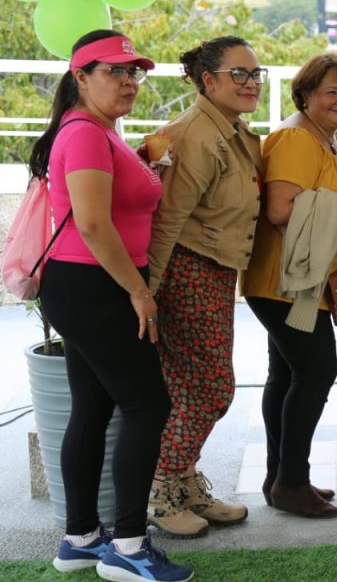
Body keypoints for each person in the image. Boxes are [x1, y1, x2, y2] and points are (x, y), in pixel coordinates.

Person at [35, 30, 192, 581]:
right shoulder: (83, 134)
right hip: (97, 286)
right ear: (80, 76)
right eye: (114, 71)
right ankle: (128, 549)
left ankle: (80, 540)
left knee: (94, 408)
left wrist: (150, 163)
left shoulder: (102, 132)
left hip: (90, 285)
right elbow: (94, 224)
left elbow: (118, 205)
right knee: (149, 406)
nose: (128, 82)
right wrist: (139, 290)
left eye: (135, 72)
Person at [240, 53, 337, 517]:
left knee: (287, 375)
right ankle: (290, 481)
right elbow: (281, 209)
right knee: (316, 372)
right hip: (284, 284)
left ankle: (282, 476)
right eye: (331, 92)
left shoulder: (330, 139)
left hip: (302, 283)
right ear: (305, 96)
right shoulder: (297, 138)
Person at [146, 36, 264, 537]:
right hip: (186, 271)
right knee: (211, 390)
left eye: (256, 74)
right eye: (239, 74)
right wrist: (147, 293)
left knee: (192, 387)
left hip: (214, 269)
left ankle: (187, 483)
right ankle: (161, 489)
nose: (251, 83)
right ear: (208, 80)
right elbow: (166, 221)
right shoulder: (196, 133)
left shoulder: (230, 130)